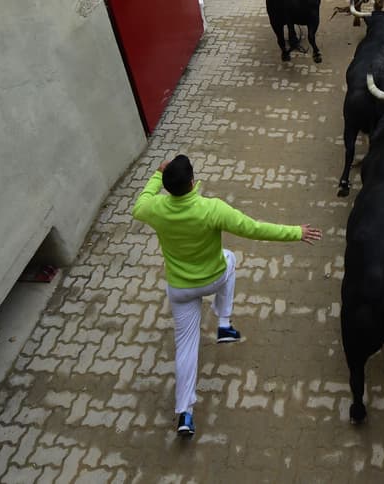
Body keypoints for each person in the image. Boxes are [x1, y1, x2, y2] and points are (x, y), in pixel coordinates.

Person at [133, 154, 320, 438]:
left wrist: (157, 175)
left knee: (185, 347)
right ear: (193, 181)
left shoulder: (156, 208)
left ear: (168, 187)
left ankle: (185, 413)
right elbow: (254, 228)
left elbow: (139, 205)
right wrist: (296, 232)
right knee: (230, 259)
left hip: (181, 290)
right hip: (212, 279)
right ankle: (224, 324)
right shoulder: (212, 209)